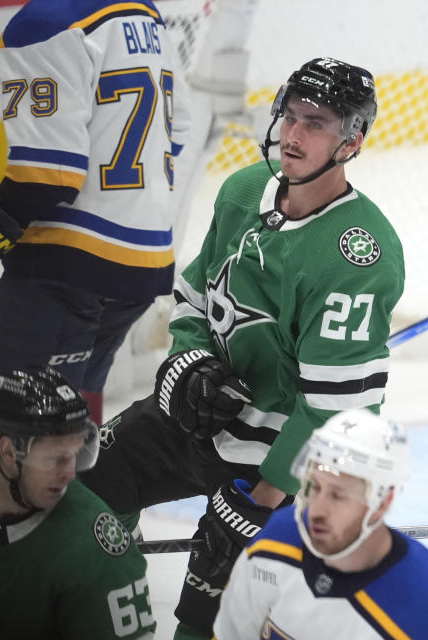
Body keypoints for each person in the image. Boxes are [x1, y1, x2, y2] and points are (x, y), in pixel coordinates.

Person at [79, 57, 405, 639]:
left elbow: (339, 414)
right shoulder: (244, 189)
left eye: (316, 123)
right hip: (201, 418)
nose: (293, 134)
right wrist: (186, 359)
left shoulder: (359, 255)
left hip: (279, 453)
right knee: (94, 479)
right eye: (290, 116)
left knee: (209, 618)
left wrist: (263, 496)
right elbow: (195, 292)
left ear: (351, 142)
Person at [0, 0, 191, 426]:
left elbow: (47, 177)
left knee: (21, 429)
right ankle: (75, 488)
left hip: (65, 273)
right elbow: (179, 130)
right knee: (73, 414)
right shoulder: (142, 11)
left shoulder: (42, 23)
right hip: (142, 269)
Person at [213, 408, 428, 639]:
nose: (316, 510)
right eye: (315, 487)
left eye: (337, 496)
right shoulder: (278, 539)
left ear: (383, 502)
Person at [0, 366, 156, 639]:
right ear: (8, 452)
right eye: (56, 459)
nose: (70, 473)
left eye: (77, 454)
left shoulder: (95, 551)